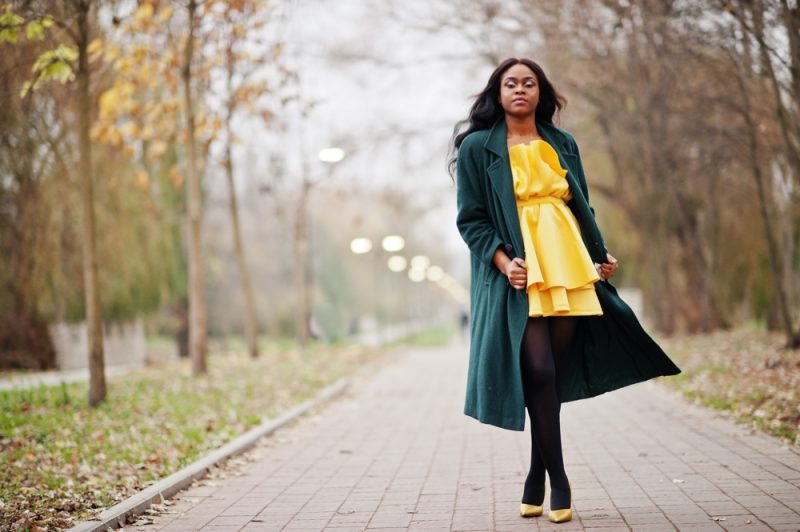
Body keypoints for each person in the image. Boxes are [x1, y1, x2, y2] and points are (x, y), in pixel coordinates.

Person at [450, 58, 680, 524]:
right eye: (510, 83)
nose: (519, 89)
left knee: (550, 375)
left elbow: (582, 204)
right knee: (536, 368)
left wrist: (599, 253)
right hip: (521, 268)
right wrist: (503, 261)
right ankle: (558, 478)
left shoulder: (563, 143)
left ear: (541, 91)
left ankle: (535, 472)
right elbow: (470, 219)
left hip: (568, 261)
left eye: (528, 83)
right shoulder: (477, 147)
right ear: (497, 93)